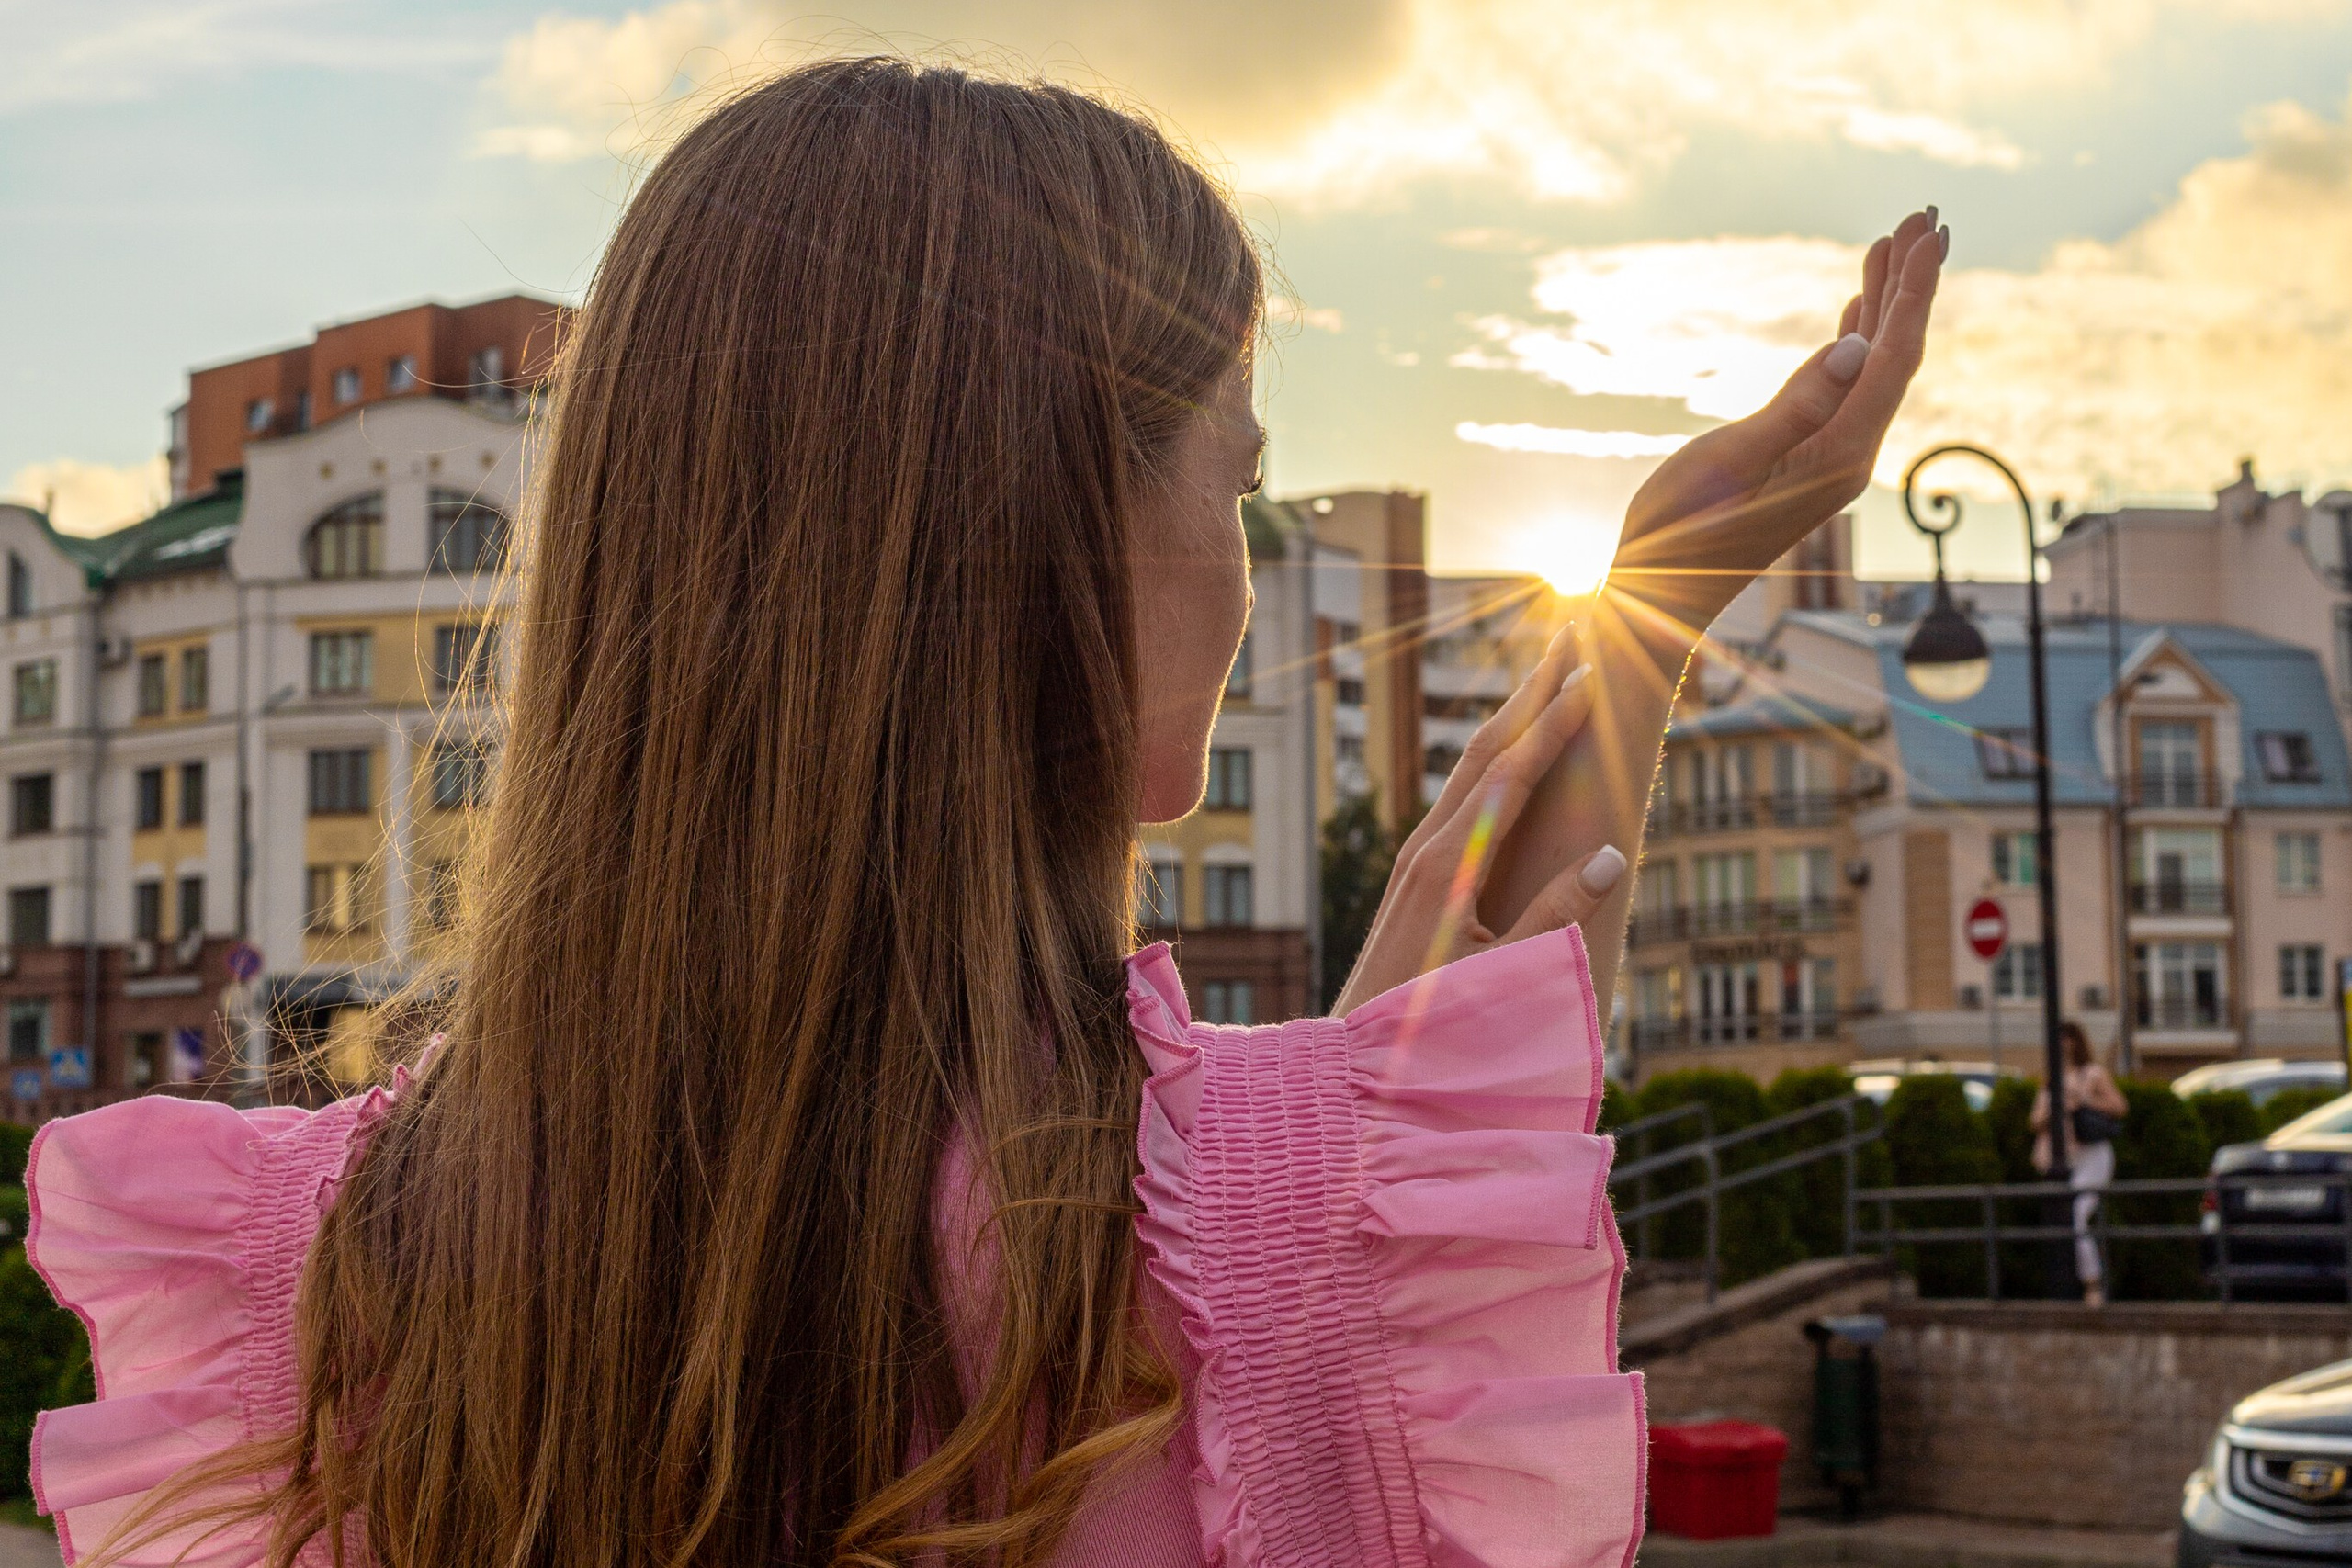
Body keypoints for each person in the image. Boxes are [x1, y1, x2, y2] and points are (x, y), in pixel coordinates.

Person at [23, 60, 1943, 1568]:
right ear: (1055, 537)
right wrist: (1653, 612)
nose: (1246, 563)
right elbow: (1326, 1319)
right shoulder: (1251, 1255)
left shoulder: (323, 1272)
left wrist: (1342, 1130)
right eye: (1232, 482)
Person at [2031, 1021, 2131, 1306]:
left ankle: (2092, 1284)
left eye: (2067, 1038)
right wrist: (2054, 1110)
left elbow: (2119, 1107)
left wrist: (2082, 1102)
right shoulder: (2050, 1080)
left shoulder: (2092, 1073)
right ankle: (2070, 1287)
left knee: (2076, 1215)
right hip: (2063, 1157)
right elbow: (2034, 1121)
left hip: (2092, 1152)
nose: (2062, 1044)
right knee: (2063, 1220)